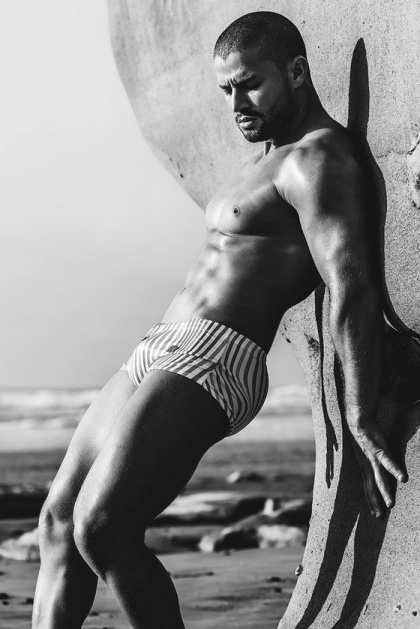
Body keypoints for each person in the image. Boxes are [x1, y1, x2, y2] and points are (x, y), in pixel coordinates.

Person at [32, 11, 406, 629]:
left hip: (217, 354)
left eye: (250, 84)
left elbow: (352, 285)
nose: (237, 103)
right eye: (227, 89)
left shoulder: (317, 160)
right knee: (57, 523)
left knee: (103, 528)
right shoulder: (266, 159)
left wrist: (360, 412)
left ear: (297, 72)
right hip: (161, 344)